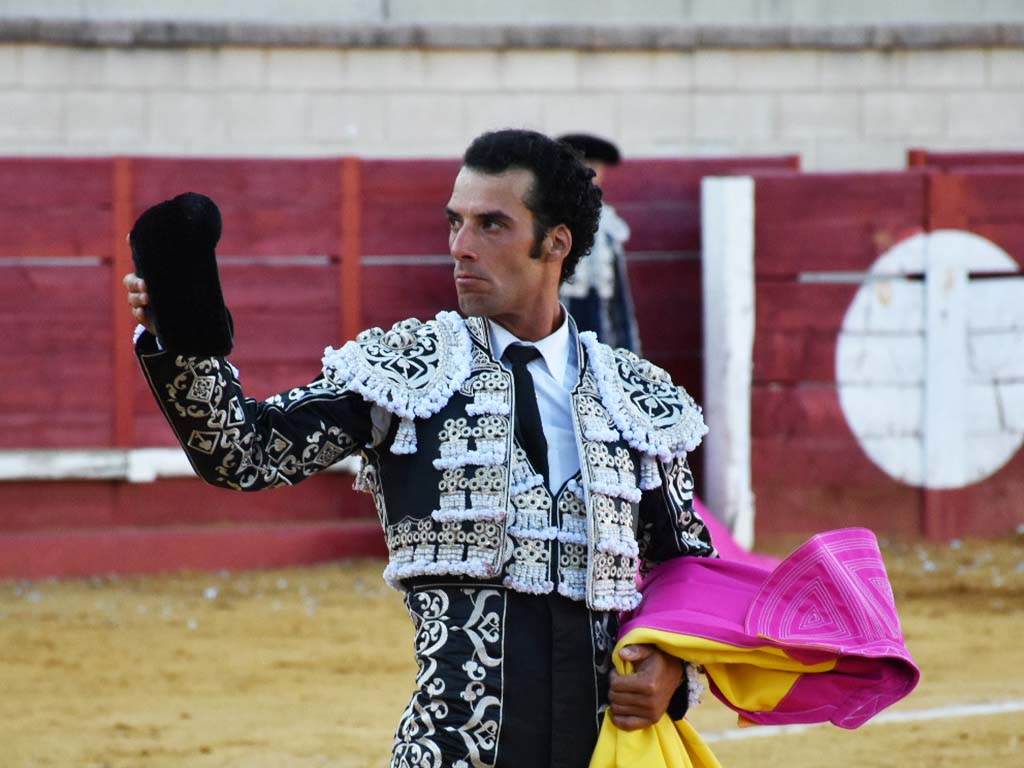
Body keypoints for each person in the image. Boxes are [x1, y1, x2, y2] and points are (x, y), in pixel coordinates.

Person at [124, 129, 715, 768]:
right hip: (452, 751)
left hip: (602, 752)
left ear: (555, 242)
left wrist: (672, 664)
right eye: (454, 222)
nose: (461, 248)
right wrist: (181, 334)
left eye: (492, 225)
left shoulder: (634, 396)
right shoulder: (407, 374)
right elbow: (243, 454)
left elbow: (686, 566)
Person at [557, 133, 641, 353]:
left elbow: (619, 296)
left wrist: (627, 347)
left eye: (595, 165)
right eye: (583, 164)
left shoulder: (608, 223)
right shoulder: (552, 216)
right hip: (562, 312)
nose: (590, 172)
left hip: (600, 315)